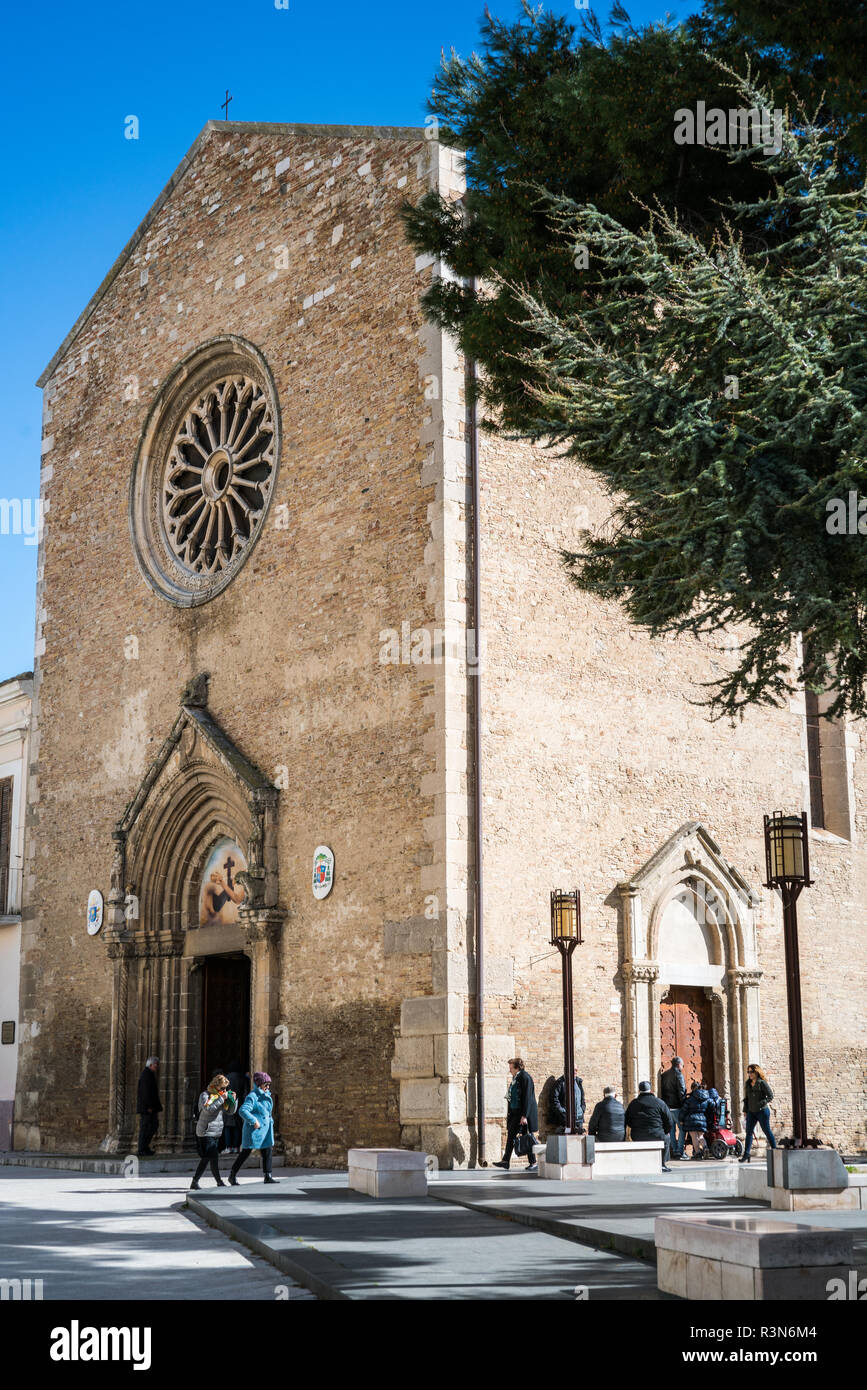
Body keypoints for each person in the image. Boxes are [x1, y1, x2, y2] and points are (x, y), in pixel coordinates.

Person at [229, 1071, 278, 1185]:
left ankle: (268, 1175)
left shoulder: (266, 1095)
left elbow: (267, 1112)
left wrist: (270, 1121)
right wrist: (254, 1120)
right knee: (246, 1152)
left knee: (267, 1151)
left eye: (269, 1084)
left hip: (265, 1130)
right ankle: (232, 1174)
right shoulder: (252, 1096)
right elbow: (243, 1110)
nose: (268, 1087)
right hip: (254, 1131)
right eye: (266, 1084)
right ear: (259, 1084)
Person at [191, 1073, 238, 1190]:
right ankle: (218, 1181)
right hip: (205, 1131)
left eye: (226, 1088)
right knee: (212, 1156)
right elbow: (208, 1109)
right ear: (216, 1086)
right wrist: (221, 1099)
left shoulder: (221, 1096)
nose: (224, 1090)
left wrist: (233, 1100)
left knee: (208, 1157)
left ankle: (195, 1181)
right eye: (222, 1088)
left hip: (216, 1131)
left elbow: (230, 1112)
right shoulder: (205, 1095)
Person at [493, 1058, 539, 1171]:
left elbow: (528, 1097)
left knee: (525, 1137)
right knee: (513, 1135)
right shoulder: (516, 1077)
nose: (510, 1070)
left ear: (517, 1067)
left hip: (522, 1114)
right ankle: (506, 1161)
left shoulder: (525, 1077)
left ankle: (532, 1162)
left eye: (511, 1068)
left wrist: (525, 1115)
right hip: (515, 1113)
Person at [625, 1080, 672, 1171]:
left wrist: (635, 1127)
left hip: (637, 1135)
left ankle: (641, 1164)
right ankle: (662, 1163)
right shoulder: (659, 1102)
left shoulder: (633, 1103)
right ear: (651, 1090)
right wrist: (666, 1131)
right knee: (667, 1138)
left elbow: (628, 1120)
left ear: (639, 1090)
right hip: (657, 1134)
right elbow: (669, 1120)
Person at [739, 1063, 777, 1164]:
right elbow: (746, 1099)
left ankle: (775, 1151)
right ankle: (746, 1154)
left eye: (751, 1072)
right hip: (751, 1112)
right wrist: (745, 1110)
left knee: (766, 1131)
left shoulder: (762, 1083)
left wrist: (762, 1103)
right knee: (749, 1132)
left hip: (762, 1111)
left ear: (756, 1072)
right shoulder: (748, 1083)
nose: (749, 1074)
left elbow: (770, 1096)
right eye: (748, 1072)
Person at [659, 1055, 687, 1159]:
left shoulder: (664, 1074)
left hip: (667, 1107)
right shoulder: (678, 1075)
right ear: (679, 1065)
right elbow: (681, 1091)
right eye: (682, 1065)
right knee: (682, 1129)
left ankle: (674, 1150)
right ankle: (679, 1151)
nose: (682, 1067)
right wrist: (684, 1105)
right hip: (677, 1107)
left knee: (671, 1130)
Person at [136, 1056, 162, 1157]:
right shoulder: (146, 1075)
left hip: (150, 1107)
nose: (157, 1066)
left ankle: (145, 1147)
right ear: (151, 1065)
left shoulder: (149, 1074)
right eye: (156, 1064)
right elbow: (145, 1092)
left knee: (152, 1126)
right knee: (146, 1127)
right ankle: (142, 1149)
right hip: (147, 1108)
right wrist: (149, 1106)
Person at [551, 1066, 587, 1134]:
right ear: (567, 1070)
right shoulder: (560, 1083)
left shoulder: (578, 1081)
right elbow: (554, 1100)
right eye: (574, 1070)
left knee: (579, 1140)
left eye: (576, 1070)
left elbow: (582, 1098)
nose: (575, 1072)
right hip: (565, 1120)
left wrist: (582, 1109)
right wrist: (563, 1112)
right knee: (566, 1139)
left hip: (579, 1119)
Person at [682, 1081, 712, 1157]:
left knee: (694, 1137)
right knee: (701, 1136)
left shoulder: (690, 1099)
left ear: (692, 1088)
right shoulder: (706, 1097)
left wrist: (681, 1119)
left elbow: (684, 1110)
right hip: (702, 1119)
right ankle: (705, 1147)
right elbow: (712, 1105)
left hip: (691, 1119)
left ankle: (698, 1153)